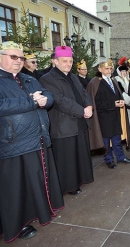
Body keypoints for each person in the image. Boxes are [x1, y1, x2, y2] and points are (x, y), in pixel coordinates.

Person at [0, 41, 64, 242]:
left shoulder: (27, 78)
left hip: (36, 138)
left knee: (35, 180)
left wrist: (46, 100)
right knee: (15, 187)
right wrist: (31, 101)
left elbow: (48, 94)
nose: (18, 61)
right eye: (13, 57)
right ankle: (18, 224)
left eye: (21, 58)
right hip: (12, 142)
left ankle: (39, 213)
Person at [40, 46, 94, 195]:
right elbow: (59, 101)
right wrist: (82, 111)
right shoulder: (47, 79)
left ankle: (81, 179)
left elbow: (84, 93)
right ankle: (69, 186)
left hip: (79, 121)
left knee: (79, 153)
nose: (68, 64)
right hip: (63, 124)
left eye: (70, 61)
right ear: (55, 61)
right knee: (67, 157)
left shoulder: (73, 76)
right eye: (65, 61)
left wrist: (89, 105)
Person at [87, 60, 130, 169]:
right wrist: (113, 104)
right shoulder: (94, 83)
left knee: (117, 139)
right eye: (106, 68)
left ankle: (121, 157)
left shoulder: (113, 80)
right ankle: (109, 159)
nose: (109, 71)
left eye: (110, 68)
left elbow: (117, 94)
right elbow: (95, 102)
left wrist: (121, 101)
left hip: (115, 115)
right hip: (103, 117)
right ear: (100, 69)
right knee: (106, 141)